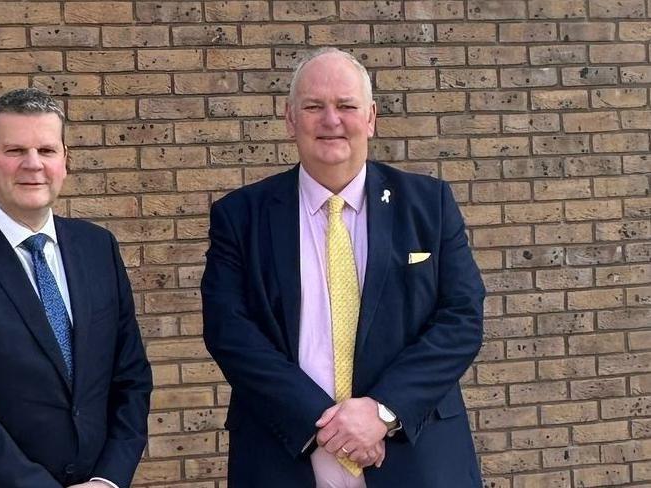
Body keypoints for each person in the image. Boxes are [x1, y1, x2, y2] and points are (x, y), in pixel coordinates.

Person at [201, 47, 485, 487]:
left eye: (346, 106)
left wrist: (382, 411)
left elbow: (461, 318)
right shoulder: (241, 216)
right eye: (314, 106)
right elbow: (230, 332)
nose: (331, 120)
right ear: (290, 118)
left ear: (370, 117)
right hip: (284, 458)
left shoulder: (429, 205)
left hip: (417, 458)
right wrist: (326, 424)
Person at [0, 88, 152, 488]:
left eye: (47, 150)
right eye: (15, 150)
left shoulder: (98, 247)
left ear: (65, 161)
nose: (33, 165)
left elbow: (131, 378)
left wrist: (108, 479)